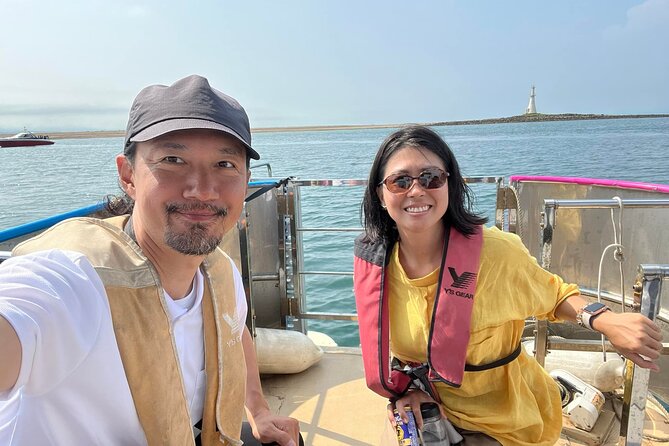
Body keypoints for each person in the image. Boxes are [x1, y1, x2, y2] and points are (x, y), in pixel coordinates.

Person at [0, 75, 302, 446]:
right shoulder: (73, 279)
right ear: (128, 176)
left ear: (245, 180)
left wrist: (258, 410)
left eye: (225, 164)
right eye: (173, 160)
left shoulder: (216, 268)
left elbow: (235, 331)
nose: (203, 188)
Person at [354, 125, 664, 445]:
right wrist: (408, 392)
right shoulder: (379, 267)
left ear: (450, 184)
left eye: (431, 177)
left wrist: (606, 320)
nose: (416, 190)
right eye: (400, 181)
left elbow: (554, 295)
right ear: (381, 194)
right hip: (431, 409)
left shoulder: (496, 253)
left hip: (503, 421)